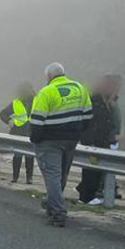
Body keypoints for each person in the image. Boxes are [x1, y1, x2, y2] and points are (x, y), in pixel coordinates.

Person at [30, 62, 92, 227]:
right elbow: (88, 115)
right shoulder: (80, 88)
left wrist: (35, 139)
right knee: (62, 174)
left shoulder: (46, 92)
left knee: (52, 176)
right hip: (71, 140)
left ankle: (58, 212)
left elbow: (37, 121)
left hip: (50, 141)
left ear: (48, 77)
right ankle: (52, 204)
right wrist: (76, 132)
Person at [75, 76, 116, 205]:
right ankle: (87, 196)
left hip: (103, 142)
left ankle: (87, 193)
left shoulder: (106, 103)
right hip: (93, 143)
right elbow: (90, 124)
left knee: (97, 171)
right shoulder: (94, 103)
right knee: (90, 170)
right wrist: (90, 144)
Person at [0, 81, 36, 183]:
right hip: (19, 132)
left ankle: (29, 178)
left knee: (29, 156)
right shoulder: (16, 102)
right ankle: (16, 177)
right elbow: (2, 114)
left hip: (32, 132)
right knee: (18, 156)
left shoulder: (37, 101)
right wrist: (9, 121)